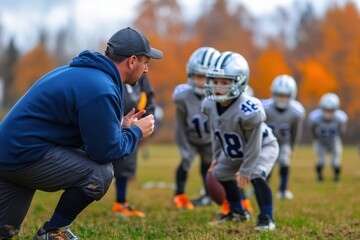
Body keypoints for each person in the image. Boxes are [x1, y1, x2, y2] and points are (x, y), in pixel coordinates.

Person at [0, 27, 162, 240]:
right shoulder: (101, 87)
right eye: (145, 62)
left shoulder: (87, 74)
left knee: (4, 231)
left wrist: (119, 128)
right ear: (132, 61)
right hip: (25, 155)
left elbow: (82, 129)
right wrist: (136, 132)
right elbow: (103, 151)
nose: (146, 70)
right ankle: (53, 232)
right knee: (100, 173)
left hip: (10, 154)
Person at [203, 51, 279, 231]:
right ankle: (238, 211)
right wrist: (216, 157)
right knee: (220, 173)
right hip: (236, 150)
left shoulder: (249, 109)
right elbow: (216, 133)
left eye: (225, 82)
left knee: (255, 174)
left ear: (239, 82)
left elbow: (254, 143)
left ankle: (267, 218)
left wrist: (245, 169)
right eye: (215, 81)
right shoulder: (209, 105)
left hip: (263, 146)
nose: (218, 87)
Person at [172, 47, 220, 209]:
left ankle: (208, 195)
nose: (202, 82)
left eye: (207, 77)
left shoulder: (220, 97)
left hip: (209, 140)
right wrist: (184, 146)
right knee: (185, 162)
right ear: (190, 74)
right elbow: (179, 124)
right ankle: (179, 195)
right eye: (199, 76)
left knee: (208, 165)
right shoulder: (182, 97)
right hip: (191, 137)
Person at [112, 75, 155, 217]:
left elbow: (148, 97)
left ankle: (121, 202)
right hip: (111, 123)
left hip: (132, 123)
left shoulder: (142, 79)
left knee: (126, 164)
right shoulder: (116, 75)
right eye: (144, 63)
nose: (146, 68)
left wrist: (147, 118)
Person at [262, 75, 305, 200]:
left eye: (285, 95)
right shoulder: (265, 108)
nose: (281, 98)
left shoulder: (296, 112)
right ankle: (264, 188)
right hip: (267, 143)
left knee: (284, 162)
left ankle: (283, 189)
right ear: (273, 93)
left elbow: (296, 131)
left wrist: (293, 147)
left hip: (284, 143)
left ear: (292, 95)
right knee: (267, 165)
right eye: (279, 94)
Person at [308, 93, 348, 182]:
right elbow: (312, 129)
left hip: (334, 141)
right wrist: (315, 138)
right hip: (320, 141)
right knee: (321, 161)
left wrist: (338, 138)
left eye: (330, 110)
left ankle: (336, 177)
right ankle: (319, 176)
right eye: (326, 110)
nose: (328, 112)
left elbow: (342, 131)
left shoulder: (340, 118)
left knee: (335, 161)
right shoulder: (316, 117)